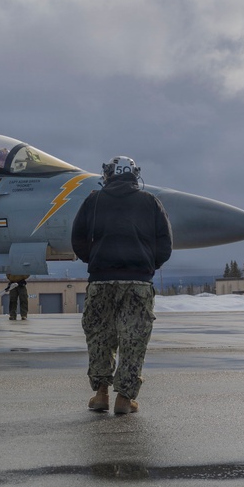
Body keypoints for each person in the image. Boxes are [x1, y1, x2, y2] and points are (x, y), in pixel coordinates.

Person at [71, 156, 172, 415]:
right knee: (133, 339)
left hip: (101, 281)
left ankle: (101, 394)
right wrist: (147, 266)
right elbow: (165, 244)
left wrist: (96, 260)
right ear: (134, 175)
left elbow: (78, 238)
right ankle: (125, 399)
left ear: (108, 175)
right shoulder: (151, 202)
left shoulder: (93, 200)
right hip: (138, 282)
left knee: (100, 337)